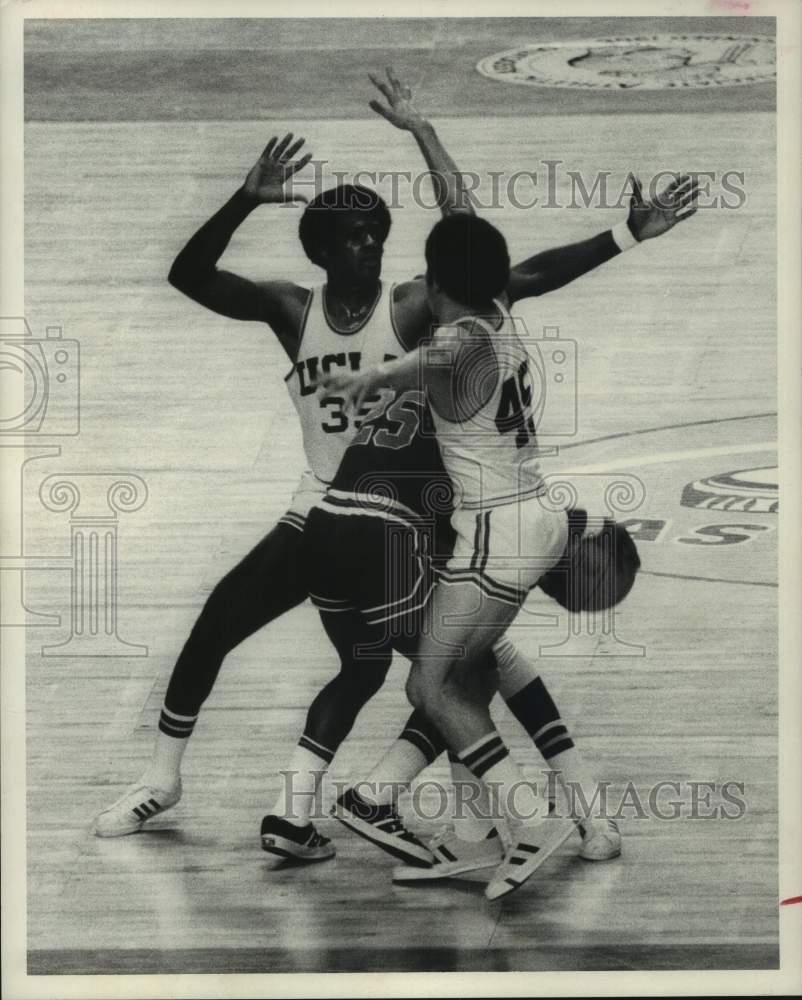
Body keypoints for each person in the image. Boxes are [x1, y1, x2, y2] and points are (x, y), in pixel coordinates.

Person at [93, 69, 695, 842]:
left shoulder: (416, 305)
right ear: (321, 251)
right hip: (326, 502)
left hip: (414, 510)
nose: (372, 245)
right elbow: (188, 276)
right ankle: (164, 779)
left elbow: (517, 270)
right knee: (228, 624)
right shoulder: (290, 309)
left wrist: (622, 234)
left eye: (377, 233)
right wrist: (246, 197)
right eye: (355, 237)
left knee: (459, 668)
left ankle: (482, 813)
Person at [318, 213, 654, 900]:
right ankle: (453, 823)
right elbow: (461, 210)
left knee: (431, 686)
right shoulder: (499, 310)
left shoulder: (453, 341)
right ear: (493, 277)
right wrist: (426, 134)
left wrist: (372, 376)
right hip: (537, 517)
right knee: (472, 673)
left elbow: (430, 361)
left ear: (436, 284)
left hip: (495, 539)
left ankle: (530, 819)